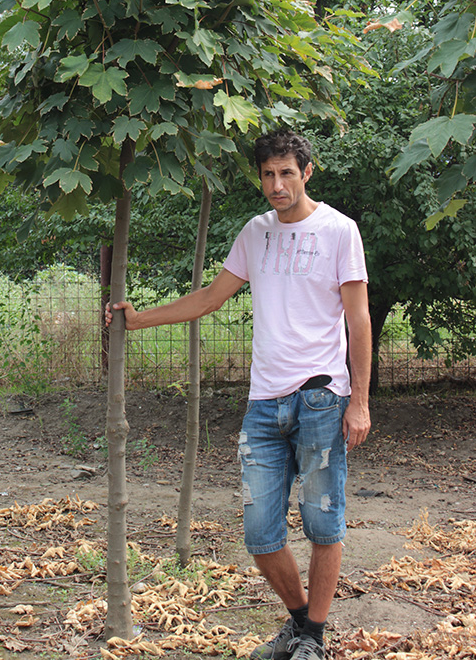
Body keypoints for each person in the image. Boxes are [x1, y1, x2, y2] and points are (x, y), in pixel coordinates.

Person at [107, 130, 371, 660]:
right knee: (259, 532)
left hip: (321, 397)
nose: (277, 185)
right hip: (263, 403)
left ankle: (312, 640)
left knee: (323, 521)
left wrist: (360, 400)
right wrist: (137, 321)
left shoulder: (339, 230)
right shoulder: (256, 233)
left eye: (287, 173)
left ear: (307, 172)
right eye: (269, 175)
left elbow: (358, 317)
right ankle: (302, 626)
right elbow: (209, 297)